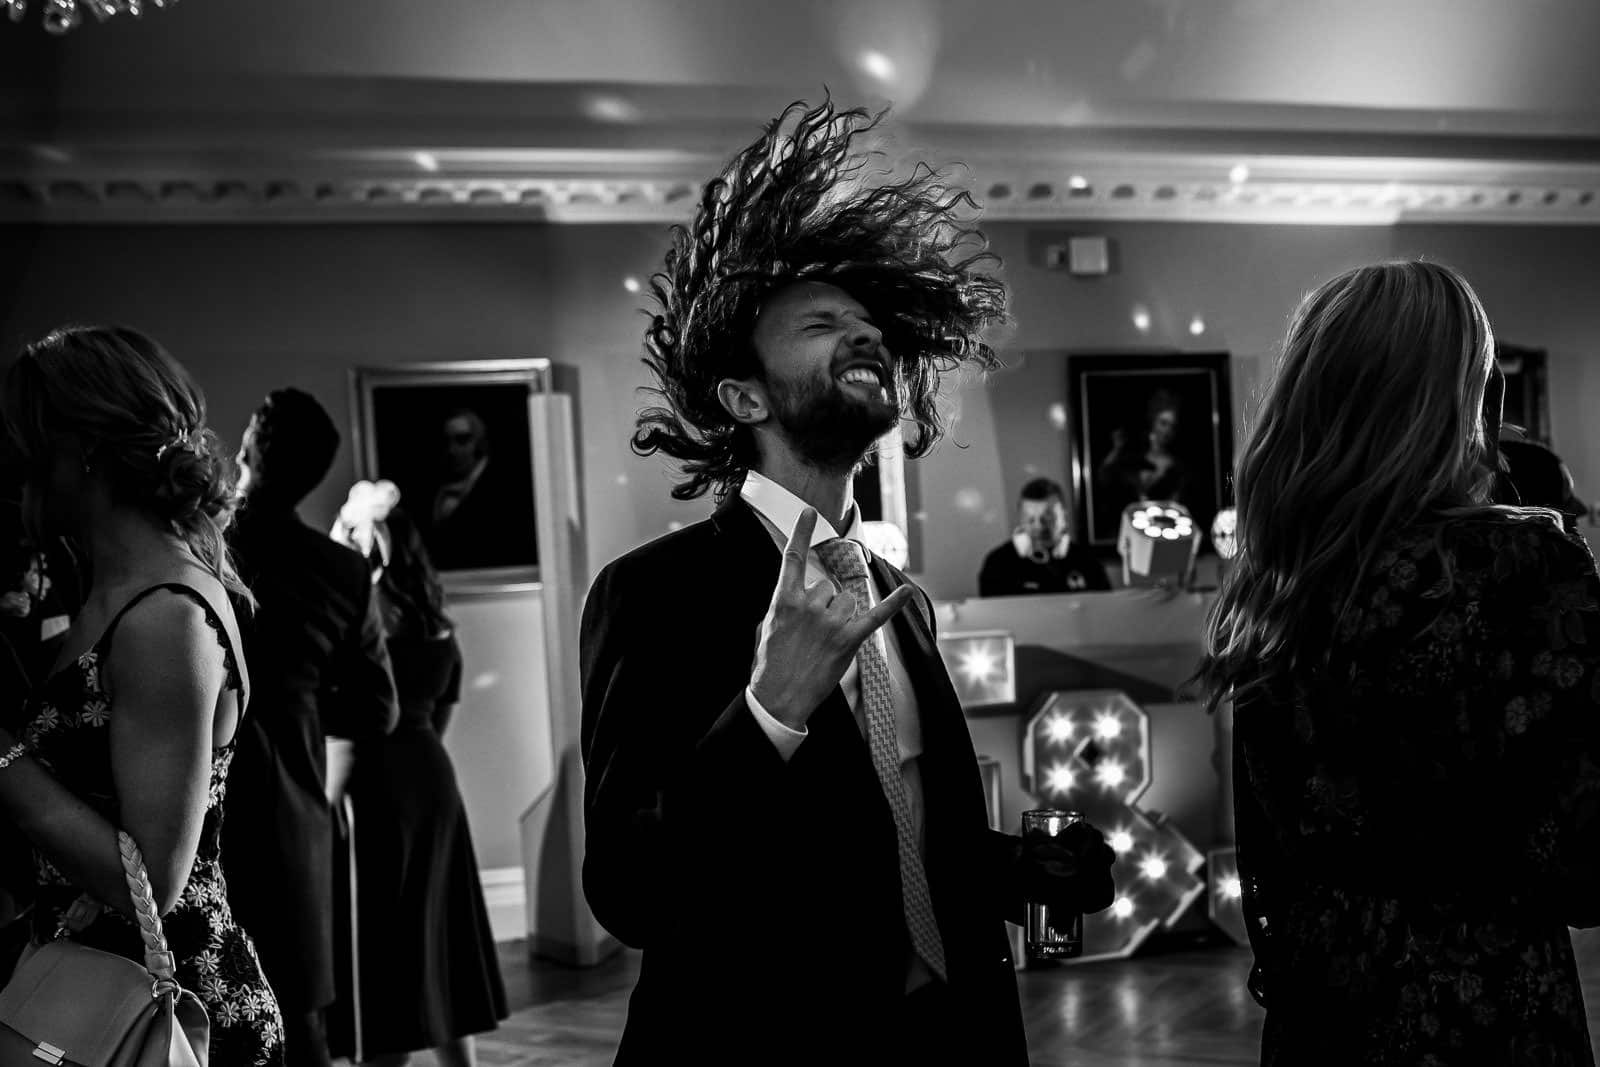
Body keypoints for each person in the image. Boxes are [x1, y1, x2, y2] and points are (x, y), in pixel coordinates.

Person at [581, 98, 1116, 1066]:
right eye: (823, 324)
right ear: (744, 396)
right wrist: (769, 712)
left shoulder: (893, 593)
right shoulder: (651, 595)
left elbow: (901, 835)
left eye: (869, 326)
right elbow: (631, 889)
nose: (863, 337)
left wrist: (1023, 868)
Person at [1196, 261, 1600, 1065]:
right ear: (1458, 400)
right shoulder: (1523, 564)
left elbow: (1267, 853)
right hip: (1486, 1009)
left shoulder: (1279, 585)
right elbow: (1584, 858)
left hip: (1324, 1006)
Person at [0, 325, 283, 1063]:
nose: (16, 466)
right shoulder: (103, 588)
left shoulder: (164, 616)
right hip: (93, 999)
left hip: (169, 1022)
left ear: (83, 449)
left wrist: (2, 762)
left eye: (28, 442)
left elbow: (153, 881)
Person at [226, 387, 399, 1067]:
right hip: (292, 802)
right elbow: (376, 708)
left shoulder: (197, 546)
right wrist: (302, 701)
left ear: (248, 446)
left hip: (197, 794)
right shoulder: (340, 569)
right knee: (298, 1012)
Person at [326, 500, 507, 1066]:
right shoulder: (436, 621)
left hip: (371, 782)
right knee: (438, 933)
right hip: (431, 779)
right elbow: (439, 715)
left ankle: (385, 1054)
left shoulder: (353, 615)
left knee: (382, 939)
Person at [415, 408, 536, 572]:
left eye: (462, 440)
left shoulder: (504, 492)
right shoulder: (431, 490)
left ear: (479, 443)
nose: (452, 450)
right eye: (447, 441)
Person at [978, 477, 1110, 595]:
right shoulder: (997, 563)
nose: (1039, 526)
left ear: (1063, 515)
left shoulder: (1089, 561)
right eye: (1030, 520)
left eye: (1047, 519)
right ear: (1020, 518)